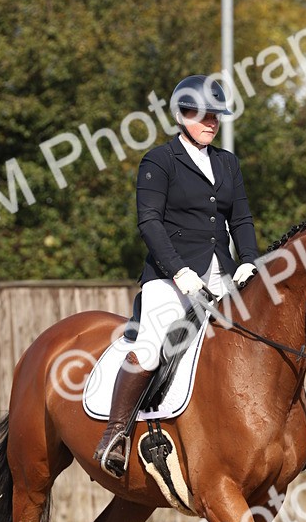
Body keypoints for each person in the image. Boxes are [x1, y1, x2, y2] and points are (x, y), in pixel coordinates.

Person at [94, 74, 260, 477]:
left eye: (216, 116)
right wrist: (179, 271)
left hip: (221, 274)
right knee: (151, 347)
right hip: (170, 277)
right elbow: (149, 222)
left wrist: (249, 260)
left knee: (258, 340)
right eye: (204, 115)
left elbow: (240, 218)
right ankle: (115, 434)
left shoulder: (227, 162)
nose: (212, 122)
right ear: (183, 115)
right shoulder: (160, 161)